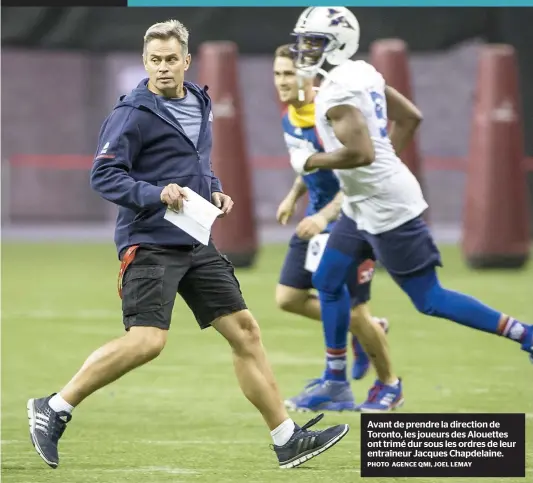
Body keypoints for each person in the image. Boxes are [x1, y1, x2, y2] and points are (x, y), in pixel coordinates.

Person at [26, 19, 350, 470]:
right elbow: (103, 175)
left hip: (195, 239)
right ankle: (54, 407)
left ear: (186, 61)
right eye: (154, 60)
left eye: (170, 59)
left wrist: (214, 188)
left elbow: (197, 161)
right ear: (145, 62)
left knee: (246, 332)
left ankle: (286, 438)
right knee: (147, 342)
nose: (162, 68)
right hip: (149, 241)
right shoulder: (131, 113)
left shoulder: (200, 100)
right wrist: (155, 193)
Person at [287, 7, 533, 411]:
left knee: (429, 298)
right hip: (364, 202)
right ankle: (334, 381)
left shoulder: (336, 89)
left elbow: (362, 153)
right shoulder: (361, 72)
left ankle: (525, 333)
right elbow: (410, 118)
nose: (303, 49)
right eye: (302, 40)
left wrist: (310, 162)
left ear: (339, 42)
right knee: (329, 281)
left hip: (386, 208)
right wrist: (380, 167)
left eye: (313, 41)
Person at [272, 44, 394, 411]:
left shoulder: (332, 113)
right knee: (288, 298)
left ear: (307, 74)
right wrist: (294, 196)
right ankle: (366, 331)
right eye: (277, 74)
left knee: (357, 313)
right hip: (315, 218)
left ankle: (390, 384)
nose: (282, 81)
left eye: (289, 73)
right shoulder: (290, 117)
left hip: (352, 220)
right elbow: (308, 164)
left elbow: (358, 174)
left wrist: (324, 216)